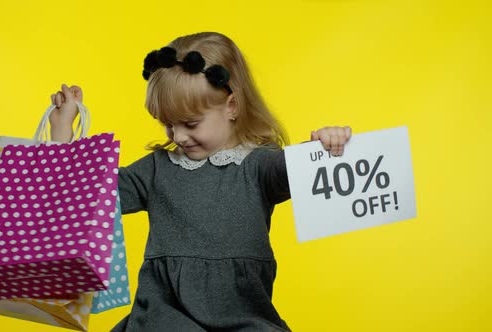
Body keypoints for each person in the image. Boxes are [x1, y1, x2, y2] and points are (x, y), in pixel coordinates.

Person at [49, 32, 351, 332]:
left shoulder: (259, 165)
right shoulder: (157, 170)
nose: (178, 137)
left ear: (231, 107)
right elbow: (84, 194)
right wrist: (62, 129)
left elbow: (300, 170)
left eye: (190, 124)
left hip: (244, 317)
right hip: (164, 319)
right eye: (167, 124)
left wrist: (323, 147)